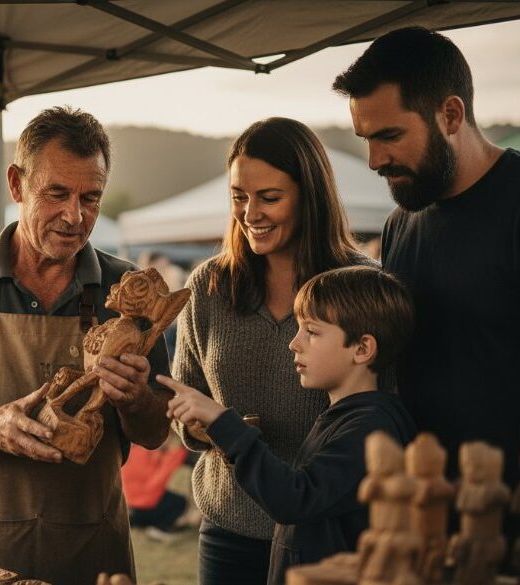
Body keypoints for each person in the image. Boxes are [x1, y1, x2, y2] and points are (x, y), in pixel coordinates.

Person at [0, 106, 171, 585]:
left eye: (91, 197)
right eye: (56, 193)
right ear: (17, 185)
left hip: (87, 554)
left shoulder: (130, 291)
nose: (74, 216)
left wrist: (137, 398)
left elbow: (155, 432)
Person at [170, 117, 373, 585]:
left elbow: (378, 410)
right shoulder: (209, 285)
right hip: (228, 530)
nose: (249, 213)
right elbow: (185, 401)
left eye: (269, 197)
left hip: (326, 535)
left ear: (310, 195)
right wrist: (201, 426)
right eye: (239, 196)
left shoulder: (362, 286)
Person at [332, 27, 520, 487]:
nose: (375, 160)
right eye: (366, 139)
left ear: (451, 115)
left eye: (390, 135)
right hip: (424, 509)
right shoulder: (401, 225)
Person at [160, 266, 417, 585]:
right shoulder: (349, 416)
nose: (294, 343)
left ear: (362, 349)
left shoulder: (371, 428)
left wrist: (225, 424)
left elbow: (296, 499)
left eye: (312, 331)